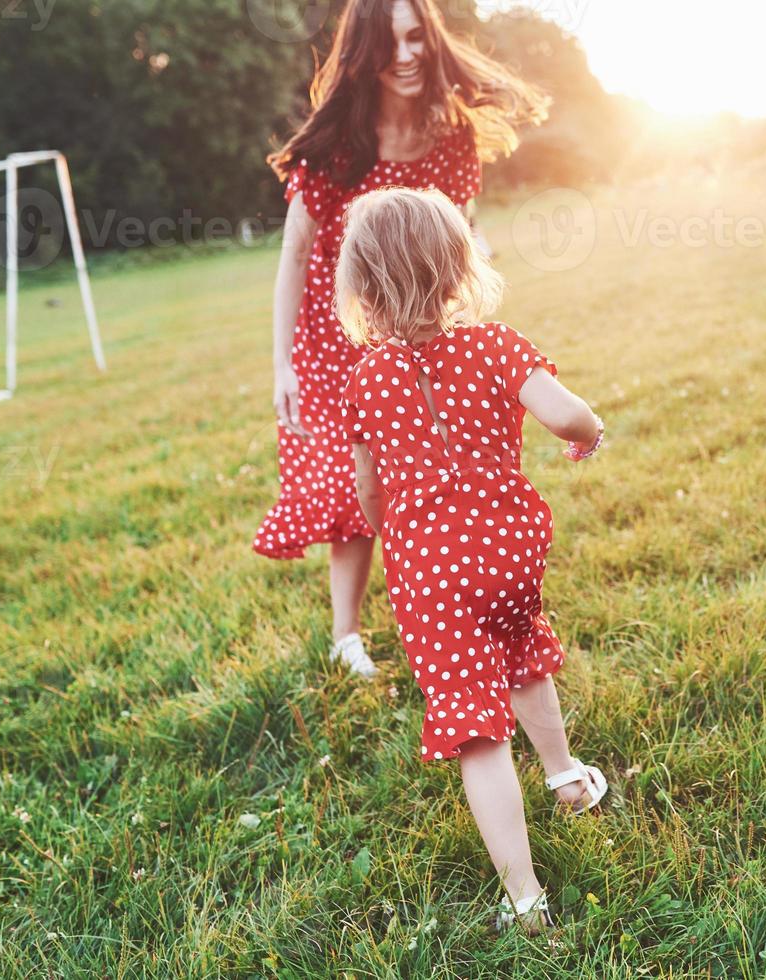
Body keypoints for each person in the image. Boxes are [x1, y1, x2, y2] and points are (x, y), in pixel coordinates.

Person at [335, 186, 608, 934]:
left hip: (432, 574)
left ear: (363, 287)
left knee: (476, 732)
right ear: (459, 265)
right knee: (525, 651)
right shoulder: (497, 345)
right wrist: (591, 432)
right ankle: (567, 782)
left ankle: (524, 898)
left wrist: (387, 527)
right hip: (511, 553)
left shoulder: (365, 380)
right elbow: (564, 414)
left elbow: (367, 491)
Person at [254, 0, 548, 680]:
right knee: (348, 491)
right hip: (334, 343)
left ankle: (466, 599)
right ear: (363, 56)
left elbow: (462, 236)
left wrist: (475, 283)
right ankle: (346, 634)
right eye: (390, 45)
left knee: (441, 477)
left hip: (422, 342)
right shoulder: (338, 148)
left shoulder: (451, 139)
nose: (408, 55)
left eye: (417, 37)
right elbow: (295, 257)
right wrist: (283, 367)